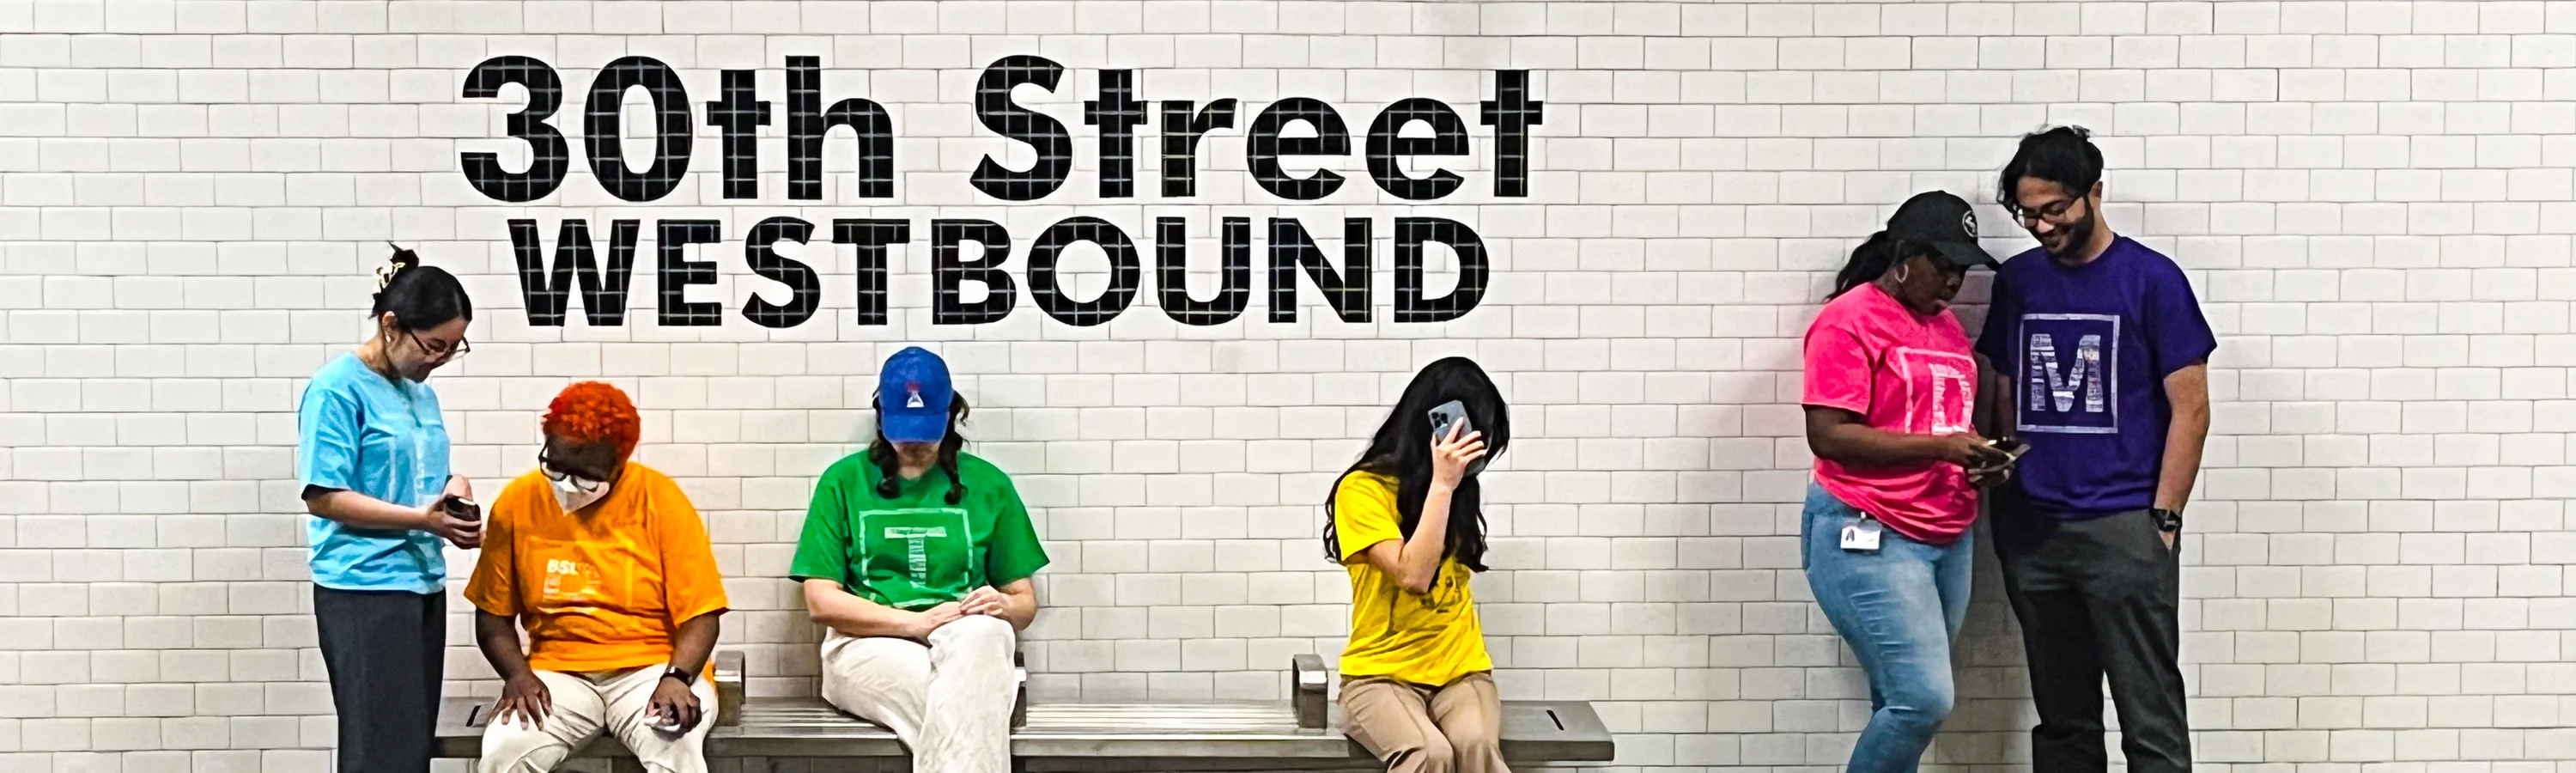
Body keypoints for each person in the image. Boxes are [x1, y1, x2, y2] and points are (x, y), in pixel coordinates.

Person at [1981, 125, 2215, 773]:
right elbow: (2001, 382)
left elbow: (2191, 407)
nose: (2042, 225)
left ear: (2095, 193)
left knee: (2151, 718)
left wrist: (2163, 520)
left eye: (2055, 209)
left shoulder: (2152, 280)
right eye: (2028, 213)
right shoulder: (2019, 282)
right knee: (2062, 722)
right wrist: (2005, 487)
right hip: (2035, 531)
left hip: (2123, 527)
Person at [1798, 192, 2010, 773]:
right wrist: (1944, 447)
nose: (1951, 281)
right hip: (1868, 528)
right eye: (1940, 264)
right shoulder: (1850, 319)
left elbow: (1939, 417)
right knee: (1923, 698)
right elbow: (1830, 436)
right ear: (1904, 256)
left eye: (1961, 269)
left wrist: (1977, 457)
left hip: (1947, 532)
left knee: (1897, 701)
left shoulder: (1943, 329)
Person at [791, 346, 1050, 773]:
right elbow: (822, 603)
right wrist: (919, 623)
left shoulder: (989, 484)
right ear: (880, 416)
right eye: (902, 429)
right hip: (866, 646)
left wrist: (1001, 606)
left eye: (925, 430)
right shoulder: (843, 481)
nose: (913, 444)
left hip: (967, 641)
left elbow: (1024, 603)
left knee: (985, 637)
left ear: (951, 414)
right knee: (966, 708)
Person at [466, 381, 729, 773]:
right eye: (554, 466)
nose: (566, 485)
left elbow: (702, 616)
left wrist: (678, 678)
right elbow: (492, 618)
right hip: (557, 673)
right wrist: (517, 675)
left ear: (618, 464)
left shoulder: (661, 500)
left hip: (653, 668)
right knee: (505, 751)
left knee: (676, 751)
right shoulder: (517, 503)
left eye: (586, 476)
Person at [295, 244, 477, 773]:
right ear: (391, 325)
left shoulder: (421, 394)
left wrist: (454, 489)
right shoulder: (336, 389)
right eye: (434, 345)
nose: (440, 359)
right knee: (379, 752)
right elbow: (323, 495)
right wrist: (425, 519)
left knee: (410, 749)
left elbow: (420, 479)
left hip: (420, 584)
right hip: (363, 591)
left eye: (454, 348)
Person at [1323, 356, 1514, 773]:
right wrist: (1442, 485)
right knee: (1429, 753)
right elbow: (1414, 576)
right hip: (1380, 676)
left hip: (1461, 671)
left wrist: (1450, 484)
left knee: (1478, 747)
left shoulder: (1460, 489)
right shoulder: (1362, 491)